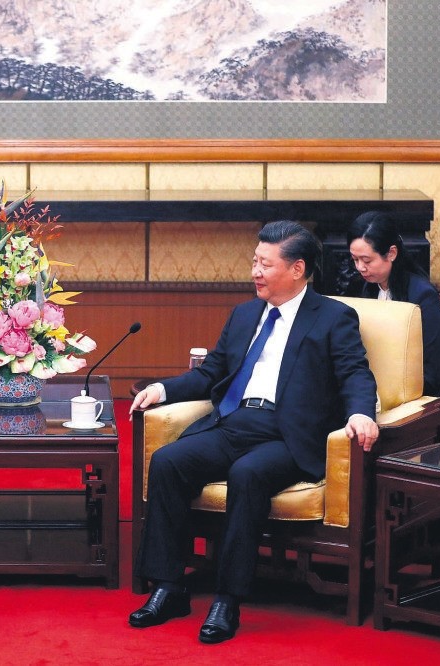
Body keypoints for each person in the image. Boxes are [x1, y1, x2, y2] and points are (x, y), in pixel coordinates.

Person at [129, 220, 379, 645]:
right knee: (168, 462)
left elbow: (355, 372)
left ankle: (228, 599)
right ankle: (169, 587)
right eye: (254, 262)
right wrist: (162, 388)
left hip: (289, 435)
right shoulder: (245, 314)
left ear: (297, 269)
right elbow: (212, 373)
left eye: (265, 264)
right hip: (236, 422)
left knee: (248, 474)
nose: (255, 272)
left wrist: (360, 413)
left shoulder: (334, 316)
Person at [347, 211, 440, 563]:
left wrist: (395, 403)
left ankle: (418, 538)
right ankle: (371, 535)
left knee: (393, 435)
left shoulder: (422, 296)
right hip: (386, 393)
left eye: (367, 260)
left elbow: (432, 368)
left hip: (433, 395)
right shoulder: (367, 287)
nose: (360, 268)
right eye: (355, 259)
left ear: (391, 253)